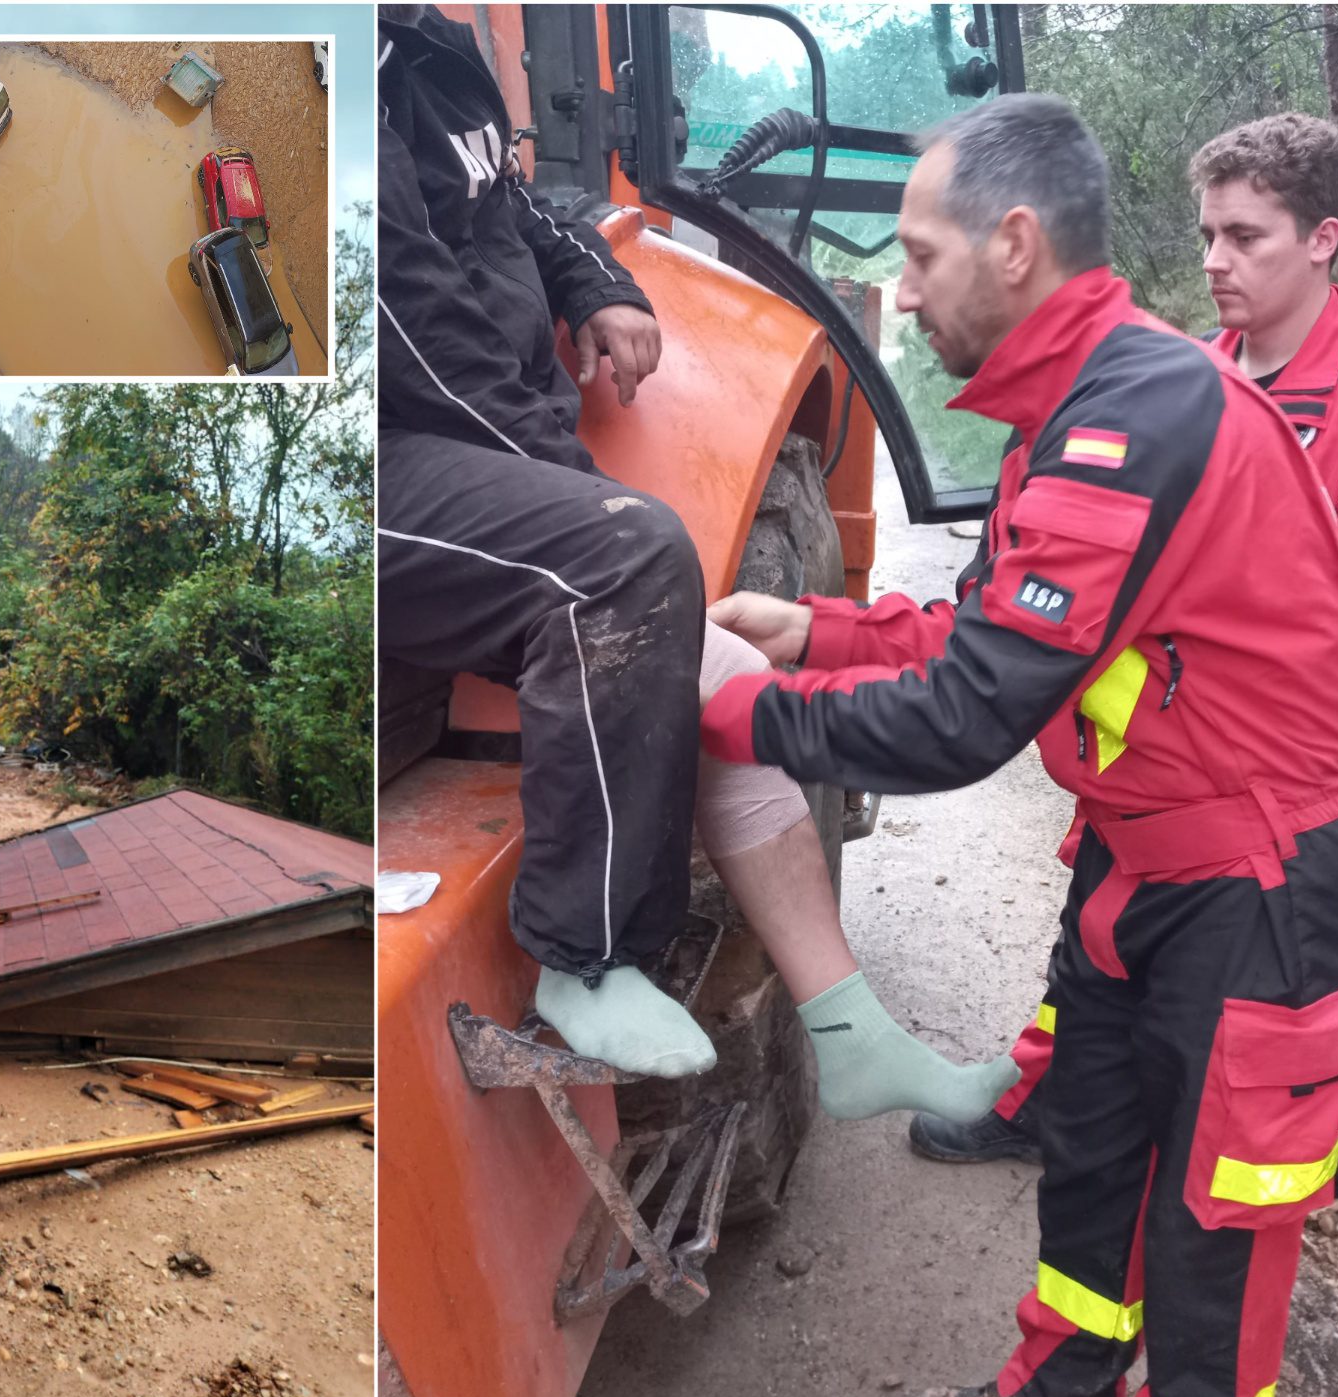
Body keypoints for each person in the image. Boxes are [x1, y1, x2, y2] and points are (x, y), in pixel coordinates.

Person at [708, 94, 1338, 1397]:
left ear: (1013, 244)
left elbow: (968, 716)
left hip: (1259, 899)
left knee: (1213, 1249)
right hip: (1154, 874)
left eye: (920, 255)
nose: (903, 291)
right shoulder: (1081, 401)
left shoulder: (1129, 417)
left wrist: (726, 721)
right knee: (1089, 1161)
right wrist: (818, 629)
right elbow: (998, 629)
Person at [376, 3, 1013, 1119]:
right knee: (628, 555)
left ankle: (847, 1028)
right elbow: (403, 313)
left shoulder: (434, 50)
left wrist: (601, 285)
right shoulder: (336, 70)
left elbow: (511, 201)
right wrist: (560, 482)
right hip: (389, 447)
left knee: (701, 642)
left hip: (482, 424)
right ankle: (586, 961)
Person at [911, 110, 1338, 1170]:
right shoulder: (1180, 378)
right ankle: (1053, 1098)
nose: (1213, 261)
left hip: (1259, 773)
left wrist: (1219, 599)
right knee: (1091, 945)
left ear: (1323, 239)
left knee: (1226, 1030)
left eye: (1244, 237)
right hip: (1131, 757)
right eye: (1207, 234)